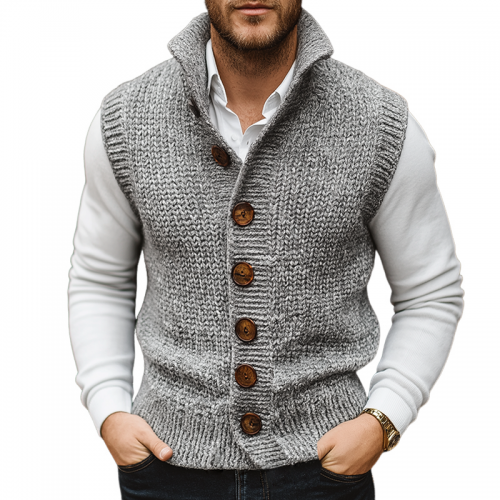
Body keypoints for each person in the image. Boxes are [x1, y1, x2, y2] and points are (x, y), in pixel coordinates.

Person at [68, 1, 465, 498]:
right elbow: (100, 279)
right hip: (166, 466)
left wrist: (383, 419)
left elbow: (430, 291)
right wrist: (109, 410)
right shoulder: (126, 119)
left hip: (322, 471)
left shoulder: (379, 124)